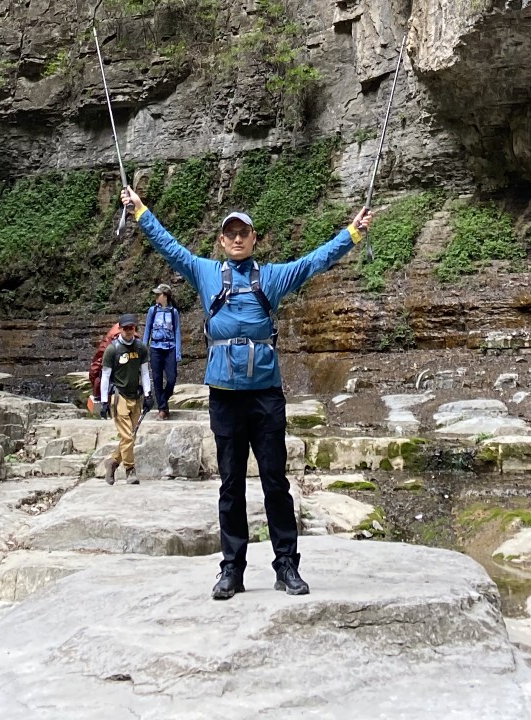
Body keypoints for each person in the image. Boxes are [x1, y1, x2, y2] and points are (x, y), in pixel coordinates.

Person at [121, 186, 372, 600]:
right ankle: (231, 570)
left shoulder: (270, 277)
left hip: (265, 396)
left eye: (244, 233)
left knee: (276, 482)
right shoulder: (204, 272)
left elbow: (314, 261)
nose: (237, 239)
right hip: (224, 395)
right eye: (230, 233)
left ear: (254, 240)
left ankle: (286, 566)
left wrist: (353, 232)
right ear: (221, 241)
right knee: (231, 484)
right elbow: (169, 248)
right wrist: (140, 211)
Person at [97, 314, 151, 483]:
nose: (128, 331)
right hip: (118, 395)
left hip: (136, 396)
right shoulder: (113, 349)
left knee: (131, 435)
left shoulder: (141, 348)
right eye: (125, 328)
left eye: (131, 328)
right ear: (120, 329)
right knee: (127, 437)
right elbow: (105, 375)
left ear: (135, 329)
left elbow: (144, 372)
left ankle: (113, 462)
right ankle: (130, 470)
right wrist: (104, 401)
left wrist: (149, 394)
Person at [143, 284, 182, 419]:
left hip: (170, 348)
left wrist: (178, 352)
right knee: (157, 379)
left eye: (158, 294)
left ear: (165, 296)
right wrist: (144, 348)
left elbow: (177, 332)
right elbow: (147, 330)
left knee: (171, 379)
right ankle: (162, 409)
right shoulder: (152, 311)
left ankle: (163, 401)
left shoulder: (174, 312)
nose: (156, 297)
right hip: (155, 348)